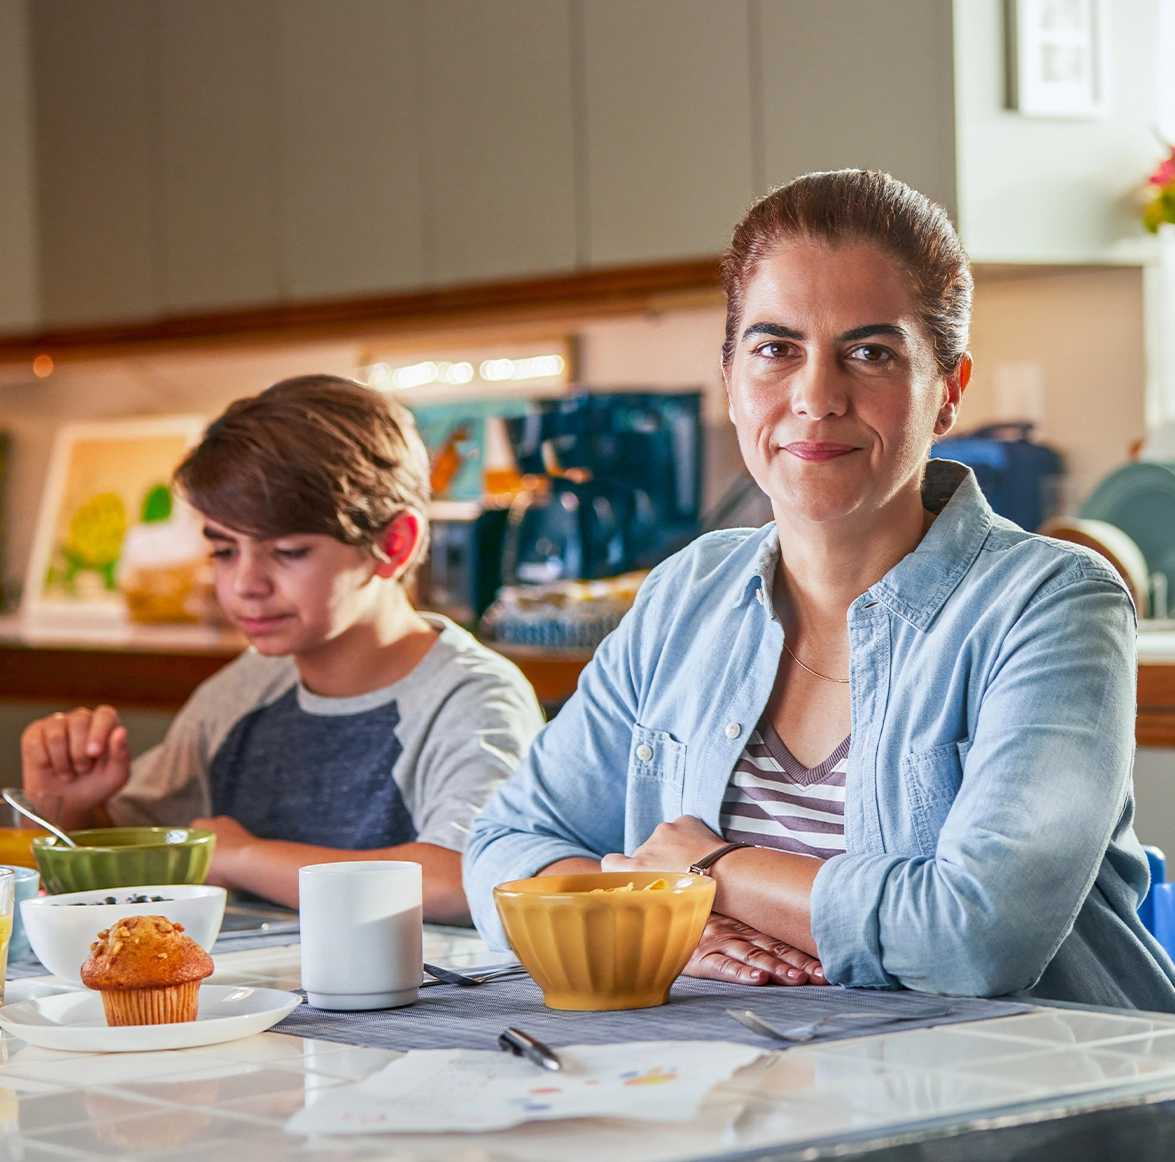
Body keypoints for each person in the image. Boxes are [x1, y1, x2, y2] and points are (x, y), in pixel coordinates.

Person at [465, 170, 1175, 1009]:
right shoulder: (687, 594)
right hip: (737, 1099)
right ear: (730, 377)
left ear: (948, 389)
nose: (816, 396)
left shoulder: (1053, 603)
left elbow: (977, 938)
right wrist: (664, 920)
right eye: (776, 348)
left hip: (1014, 1111)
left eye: (869, 353)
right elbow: (504, 847)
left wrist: (707, 868)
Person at [22, 375, 544, 923]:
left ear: (394, 545)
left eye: (288, 551)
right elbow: (140, 868)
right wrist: (74, 806)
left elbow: (467, 881)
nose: (245, 584)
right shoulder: (243, 691)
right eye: (224, 551)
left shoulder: (472, 697)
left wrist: (243, 857)